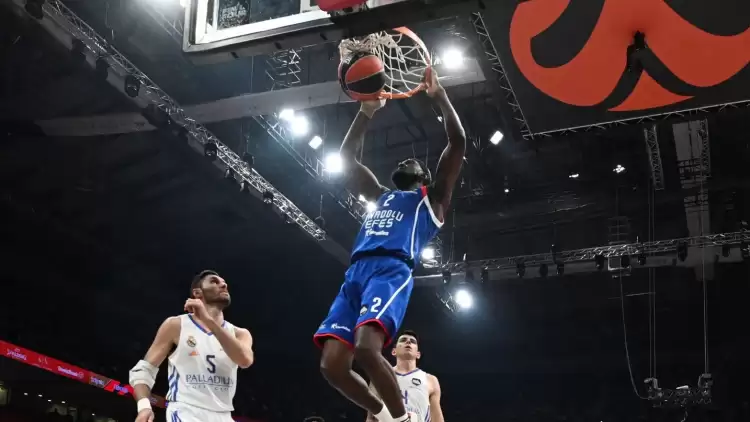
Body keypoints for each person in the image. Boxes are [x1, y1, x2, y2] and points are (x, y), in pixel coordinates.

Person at [313, 69, 465, 422]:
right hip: (356, 272)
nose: (402, 162)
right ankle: (382, 414)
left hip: (390, 271)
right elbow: (347, 160)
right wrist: (366, 112)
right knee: (332, 366)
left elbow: (457, 143)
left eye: (410, 162)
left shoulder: (432, 200)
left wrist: (439, 96)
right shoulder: (381, 196)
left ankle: (401, 420)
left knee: (368, 349)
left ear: (424, 177)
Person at [129, 270, 254, 422]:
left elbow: (244, 360)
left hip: (224, 415)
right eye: (214, 281)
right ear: (197, 293)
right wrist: (144, 407)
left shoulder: (240, 333)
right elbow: (143, 371)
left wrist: (208, 320)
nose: (223, 284)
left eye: (223, 282)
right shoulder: (176, 325)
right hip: (186, 412)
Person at [366, 330, 444, 422]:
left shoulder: (431, 380)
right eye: (403, 340)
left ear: (418, 354)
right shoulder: (381, 376)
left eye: (413, 341)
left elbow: (437, 418)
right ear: (394, 351)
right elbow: (371, 416)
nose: (408, 342)